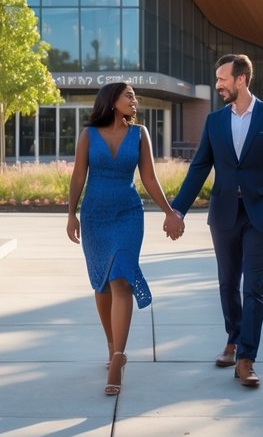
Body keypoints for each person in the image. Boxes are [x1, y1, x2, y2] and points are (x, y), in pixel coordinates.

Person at [169, 54, 263, 388]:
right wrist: (178, 210)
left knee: (253, 286)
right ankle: (233, 337)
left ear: (241, 79)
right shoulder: (214, 121)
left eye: (222, 78)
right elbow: (199, 167)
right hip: (224, 213)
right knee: (228, 282)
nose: (217, 85)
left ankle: (246, 358)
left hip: (260, 214)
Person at [67, 82, 184, 396]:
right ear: (112, 100)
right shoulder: (88, 135)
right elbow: (78, 175)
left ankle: (119, 356)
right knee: (102, 283)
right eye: (129, 96)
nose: (135, 100)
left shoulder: (139, 134)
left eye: (135, 96)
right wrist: (70, 214)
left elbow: (148, 177)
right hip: (95, 216)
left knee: (122, 281)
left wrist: (170, 212)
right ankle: (111, 343)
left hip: (129, 215)